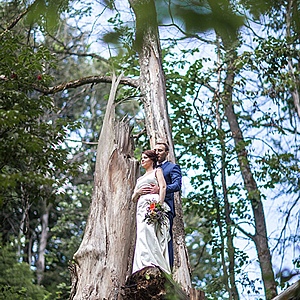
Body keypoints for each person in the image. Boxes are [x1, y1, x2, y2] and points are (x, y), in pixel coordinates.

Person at [139, 141, 182, 270]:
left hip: (165, 207)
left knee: (165, 238)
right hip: (147, 208)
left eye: (160, 150)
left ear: (167, 153)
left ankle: (166, 269)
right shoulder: (150, 169)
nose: (157, 152)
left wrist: (161, 189)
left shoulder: (172, 167)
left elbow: (177, 185)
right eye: (155, 150)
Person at [131, 150, 171, 274]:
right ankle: (141, 264)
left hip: (152, 204)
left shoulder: (157, 171)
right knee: (142, 233)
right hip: (141, 207)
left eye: (145, 158)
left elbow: (163, 187)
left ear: (152, 160)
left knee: (151, 232)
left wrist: (159, 204)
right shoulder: (140, 179)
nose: (142, 160)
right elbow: (133, 198)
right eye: (141, 158)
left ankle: (154, 262)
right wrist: (137, 193)